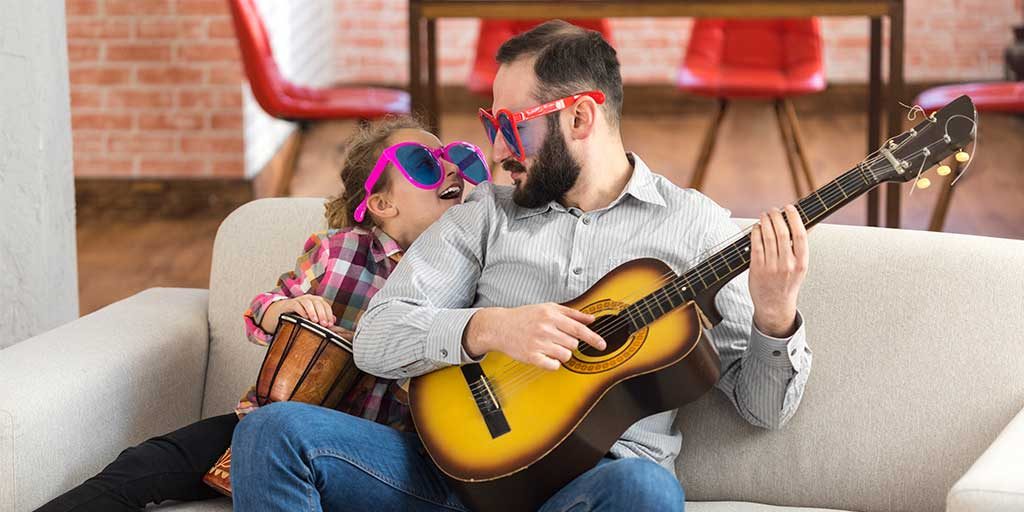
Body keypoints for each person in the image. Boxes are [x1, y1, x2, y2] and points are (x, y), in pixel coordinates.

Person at [231, 20, 812, 512]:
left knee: (646, 490)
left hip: (592, 487)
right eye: (491, 126)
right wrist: (488, 328)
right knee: (270, 433)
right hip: (450, 475)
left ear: (580, 119)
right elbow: (376, 337)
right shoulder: (486, 213)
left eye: (511, 126)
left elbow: (763, 411)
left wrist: (775, 314)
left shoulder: (700, 228)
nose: (494, 152)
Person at [36, 116, 490, 511]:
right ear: (381, 204)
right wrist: (289, 309)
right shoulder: (339, 253)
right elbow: (262, 309)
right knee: (146, 464)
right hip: (281, 415)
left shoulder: (471, 271)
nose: (449, 167)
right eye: (423, 164)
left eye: (454, 156)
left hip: (373, 447)